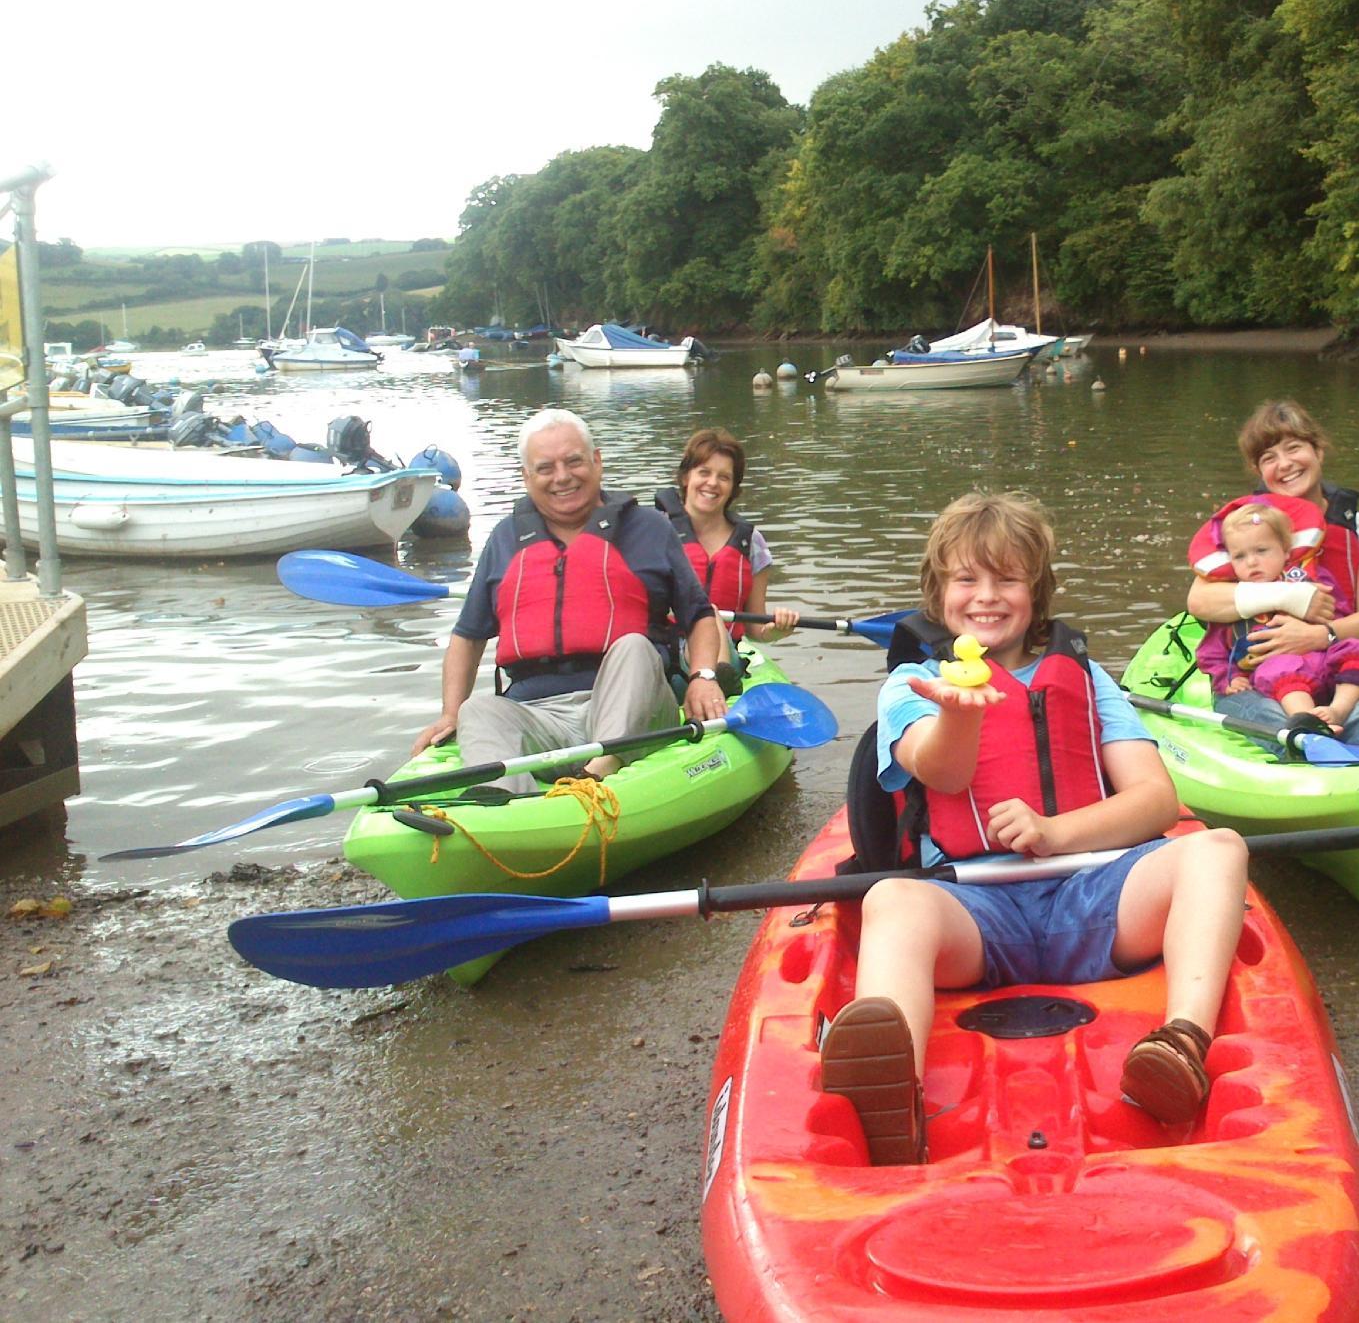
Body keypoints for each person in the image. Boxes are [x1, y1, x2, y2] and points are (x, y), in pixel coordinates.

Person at [820, 491, 1250, 1166]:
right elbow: (942, 772)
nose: (986, 597)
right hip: (975, 913)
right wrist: (960, 712)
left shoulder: (1084, 677)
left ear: (1036, 590)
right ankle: (891, 1090)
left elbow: (1157, 800)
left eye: (1007, 578)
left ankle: (1182, 1044)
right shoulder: (913, 684)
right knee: (892, 901)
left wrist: (1055, 831)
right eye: (967, 579)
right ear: (939, 592)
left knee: (1218, 848)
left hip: (1092, 900)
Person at [410, 408, 727, 794]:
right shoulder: (506, 540)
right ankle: (507, 804)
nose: (562, 477)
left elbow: (698, 616)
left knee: (634, 646)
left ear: (596, 462)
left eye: (574, 461)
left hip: (633, 705)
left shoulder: (650, 528)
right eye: (545, 468)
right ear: (527, 477)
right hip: (539, 714)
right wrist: (449, 713)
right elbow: (467, 637)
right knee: (476, 709)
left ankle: (598, 772)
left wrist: (703, 677)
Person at [1184, 399, 1359, 752]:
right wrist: (1292, 598)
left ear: (1318, 451)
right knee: (1276, 720)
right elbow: (1200, 601)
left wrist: (1316, 635)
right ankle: (1309, 746)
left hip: (1335, 663)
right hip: (1259, 676)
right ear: (1258, 470)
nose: (1284, 465)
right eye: (1269, 458)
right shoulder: (1242, 529)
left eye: (1294, 448)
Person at [1195, 499, 1359, 736]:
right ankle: (1309, 724)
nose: (1252, 562)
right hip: (1285, 682)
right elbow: (1212, 652)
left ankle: (1341, 711)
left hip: (1326, 665)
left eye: (1262, 551)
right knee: (1279, 666)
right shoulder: (1233, 599)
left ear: (1286, 552)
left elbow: (1340, 614)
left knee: (1356, 648)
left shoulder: (1312, 581)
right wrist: (1229, 679)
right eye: (1240, 557)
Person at [654, 427, 800, 650]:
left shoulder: (752, 543)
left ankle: (712, 679)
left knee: (712, 621)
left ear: (733, 488)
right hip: (665, 651)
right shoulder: (653, 530)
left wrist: (777, 629)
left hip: (723, 655)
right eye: (704, 472)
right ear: (685, 477)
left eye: (724, 477)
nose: (712, 483)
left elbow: (755, 629)